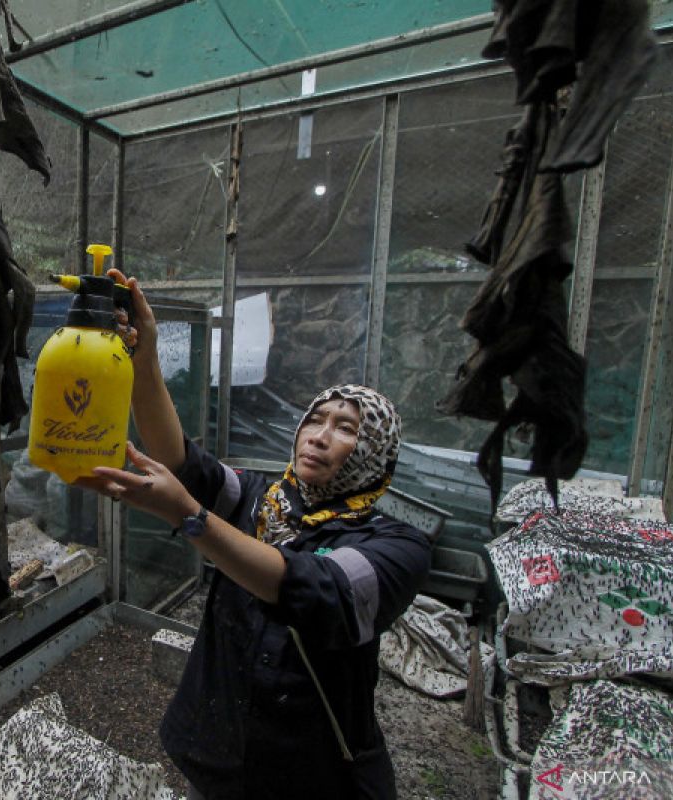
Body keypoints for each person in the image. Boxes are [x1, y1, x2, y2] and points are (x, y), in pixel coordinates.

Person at [77, 268, 432, 799]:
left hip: (305, 772)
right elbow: (179, 461)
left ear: (375, 453)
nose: (319, 435)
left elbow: (312, 586)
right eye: (317, 418)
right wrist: (144, 357)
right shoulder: (262, 497)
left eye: (346, 428)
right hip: (219, 751)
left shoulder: (397, 546)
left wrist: (192, 517)